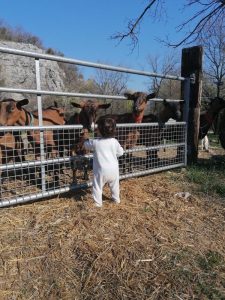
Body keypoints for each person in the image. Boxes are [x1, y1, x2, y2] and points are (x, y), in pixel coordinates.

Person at [84, 117, 124, 207]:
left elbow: (86, 145)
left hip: (101, 171)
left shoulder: (95, 142)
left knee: (97, 186)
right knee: (115, 186)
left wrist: (91, 132)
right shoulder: (114, 141)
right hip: (114, 170)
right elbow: (121, 152)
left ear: (99, 130)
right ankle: (116, 199)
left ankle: (98, 204)